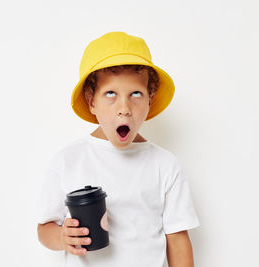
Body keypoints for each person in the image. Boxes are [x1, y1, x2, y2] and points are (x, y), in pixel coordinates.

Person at [36, 31, 200, 267]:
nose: (124, 108)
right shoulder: (68, 160)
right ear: (92, 101)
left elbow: (178, 239)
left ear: (150, 100)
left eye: (136, 94)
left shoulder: (165, 165)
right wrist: (62, 237)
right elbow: (44, 228)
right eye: (110, 94)